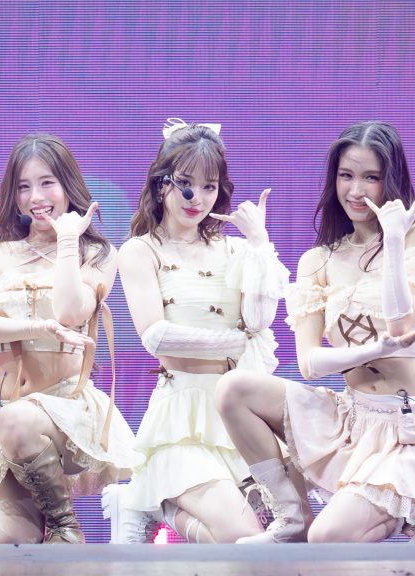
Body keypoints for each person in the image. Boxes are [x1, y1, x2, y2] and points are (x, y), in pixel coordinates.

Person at [216, 121, 415, 543]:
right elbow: (309, 363)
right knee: (233, 389)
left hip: (408, 429)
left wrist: (393, 241)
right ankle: (291, 516)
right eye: (346, 175)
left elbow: (401, 322)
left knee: (330, 538)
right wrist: (374, 350)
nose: (356, 190)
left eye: (370, 177)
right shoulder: (318, 260)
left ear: (390, 181)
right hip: (352, 418)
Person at [101, 120, 286, 544]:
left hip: (241, 416)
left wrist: (259, 243)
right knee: (243, 535)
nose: (197, 198)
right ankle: (159, 505)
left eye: (209, 186)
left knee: (276, 541)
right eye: (185, 184)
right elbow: (156, 337)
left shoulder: (237, 249)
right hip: (181, 419)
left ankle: (148, 504)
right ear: (161, 184)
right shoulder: (140, 250)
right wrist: (236, 343)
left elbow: (260, 321)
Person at [0, 133, 141, 544]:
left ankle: (66, 526)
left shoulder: (96, 253)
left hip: (64, 412)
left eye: (47, 183)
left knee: (18, 420)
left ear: (67, 185)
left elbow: (70, 312)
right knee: (9, 557)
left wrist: (66, 240)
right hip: (0, 414)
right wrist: (33, 329)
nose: (36, 197)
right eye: (24, 187)